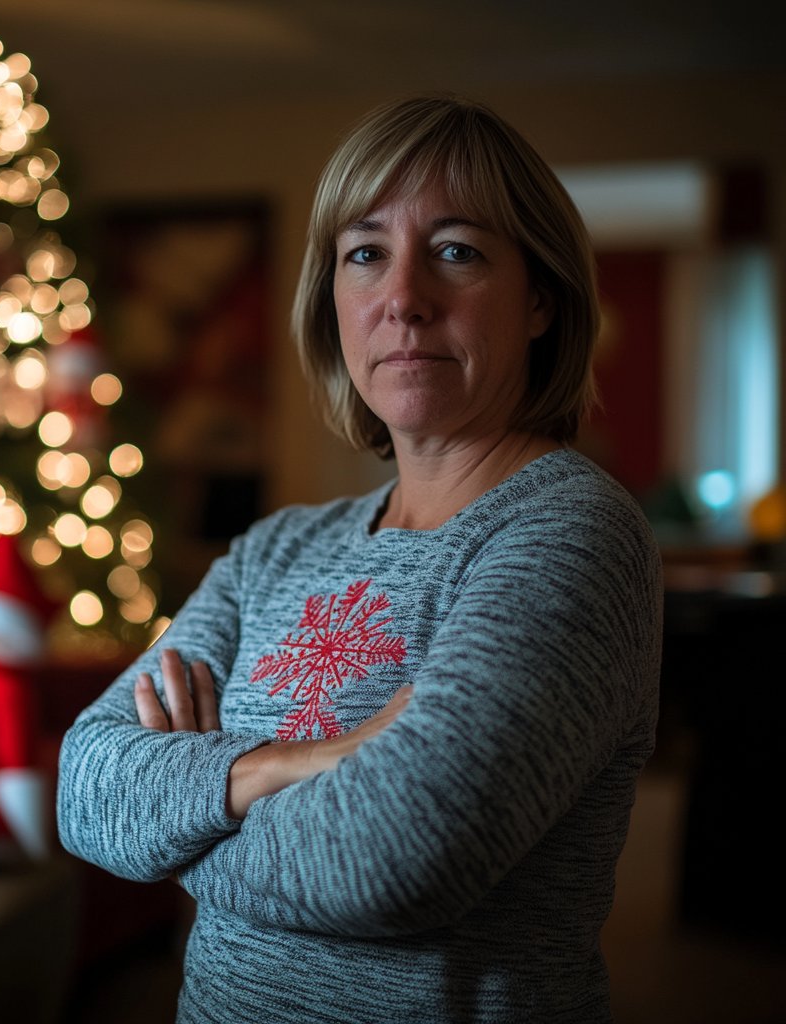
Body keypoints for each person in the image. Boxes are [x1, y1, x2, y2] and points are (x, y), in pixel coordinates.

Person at [57, 93, 663, 1023]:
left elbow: (392, 860)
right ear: (333, 296)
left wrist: (179, 814)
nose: (404, 299)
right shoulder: (277, 546)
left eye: (457, 251)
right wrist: (297, 762)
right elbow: (87, 784)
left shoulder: (571, 535)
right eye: (366, 253)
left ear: (540, 298)